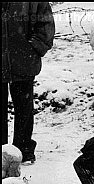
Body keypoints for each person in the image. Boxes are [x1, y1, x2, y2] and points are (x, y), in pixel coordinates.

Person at [2, 2, 55, 163]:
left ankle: (23, 148)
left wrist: (33, 47)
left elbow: (45, 23)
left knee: (24, 107)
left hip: (23, 60)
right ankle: (2, 152)